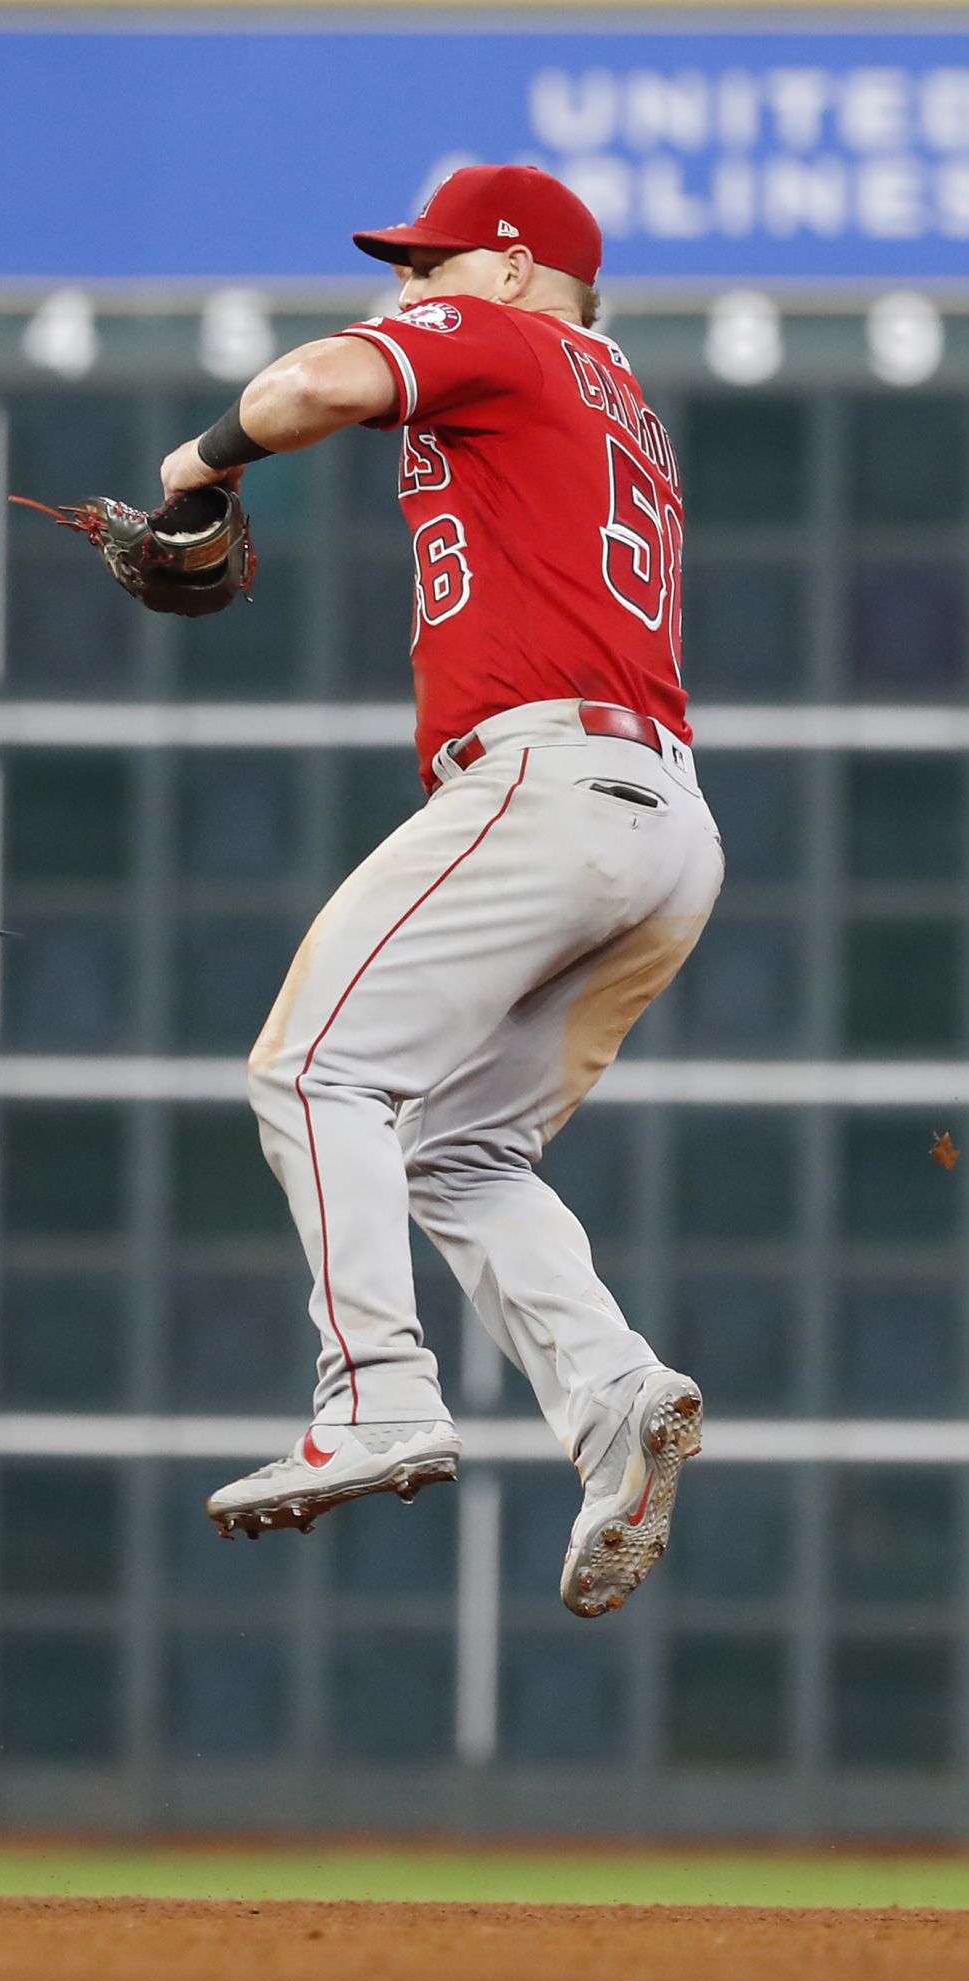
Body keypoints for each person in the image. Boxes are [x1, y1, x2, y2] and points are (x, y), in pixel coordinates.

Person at [158, 166, 721, 1617]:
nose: (410, 286)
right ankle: (611, 1398)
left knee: (308, 1074)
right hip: (663, 824)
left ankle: (375, 1395)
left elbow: (304, 388)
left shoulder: (514, 338)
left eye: (435, 261)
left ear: (524, 265)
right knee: (461, 1152)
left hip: (542, 784)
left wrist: (197, 466)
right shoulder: (620, 402)